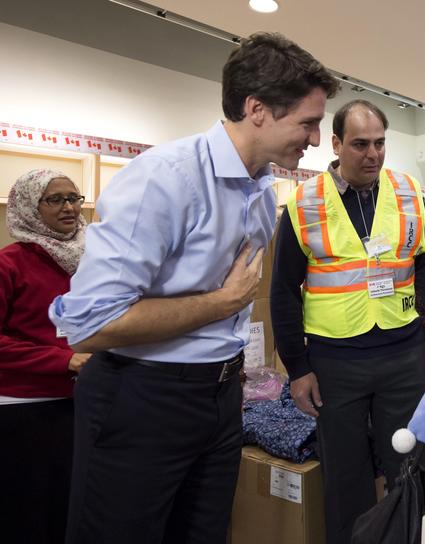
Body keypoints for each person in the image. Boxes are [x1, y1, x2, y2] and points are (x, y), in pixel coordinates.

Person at [48, 33, 338, 544]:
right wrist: (220, 304)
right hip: (143, 397)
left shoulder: (259, 188)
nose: (316, 139)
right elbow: (89, 326)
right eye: (308, 122)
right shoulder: (164, 180)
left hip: (221, 396)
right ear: (257, 110)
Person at [271, 99, 425, 544]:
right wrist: (297, 367)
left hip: (404, 352)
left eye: (380, 143)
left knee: (411, 465)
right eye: (360, 145)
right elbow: (282, 289)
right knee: (346, 477)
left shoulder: (408, 191)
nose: (373, 154)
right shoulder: (305, 201)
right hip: (335, 362)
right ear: (335, 144)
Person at [0, 169, 91, 544]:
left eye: (74, 198)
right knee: (27, 513)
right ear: (28, 206)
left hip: (84, 402)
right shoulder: (9, 263)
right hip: (25, 408)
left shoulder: (94, 259)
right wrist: (63, 361)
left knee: (69, 510)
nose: (68, 207)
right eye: (55, 199)